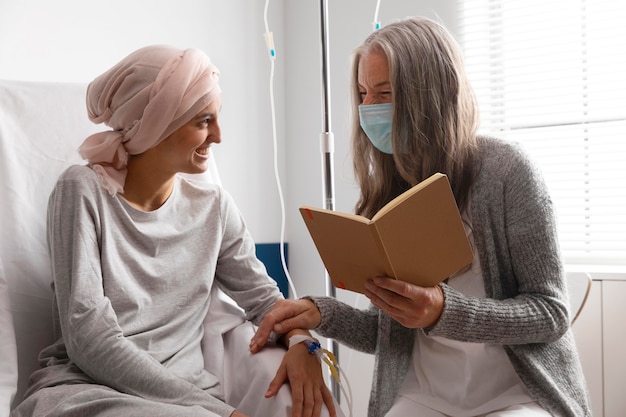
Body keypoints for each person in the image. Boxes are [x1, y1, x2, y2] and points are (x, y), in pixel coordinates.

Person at [250, 16, 592, 417]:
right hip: (425, 395)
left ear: (431, 95)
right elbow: (387, 331)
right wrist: (324, 313)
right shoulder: (390, 190)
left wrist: (444, 311)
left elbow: (550, 314)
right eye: (362, 93)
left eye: (385, 93)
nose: (368, 109)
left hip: (517, 395)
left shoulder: (507, 173)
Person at [10, 45, 336, 417]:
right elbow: (88, 340)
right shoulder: (81, 190)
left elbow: (262, 301)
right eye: (203, 121)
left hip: (187, 399)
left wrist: (302, 343)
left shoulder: (213, 207)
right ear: (156, 126)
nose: (218, 136)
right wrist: (217, 411)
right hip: (89, 391)